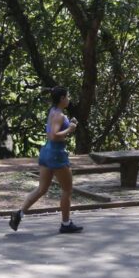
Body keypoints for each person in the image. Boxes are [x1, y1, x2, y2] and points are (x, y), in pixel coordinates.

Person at [9, 87, 83, 234]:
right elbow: (54, 135)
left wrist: (70, 126)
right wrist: (70, 129)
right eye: (67, 96)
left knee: (42, 189)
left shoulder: (53, 111)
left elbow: (52, 132)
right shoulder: (59, 115)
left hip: (47, 153)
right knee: (67, 190)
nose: (69, 99)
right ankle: (66, 223)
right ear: (62, 98)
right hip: (56, 154)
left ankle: (19, 214)